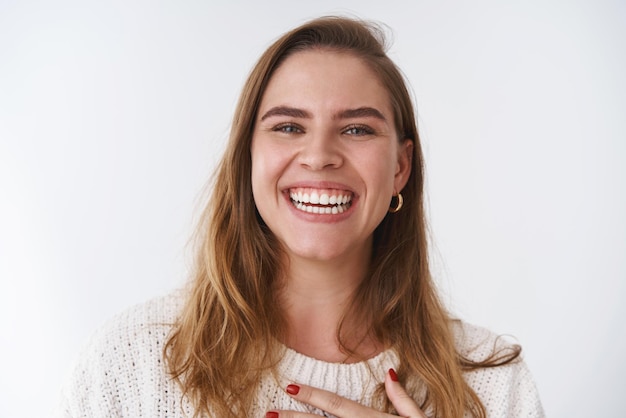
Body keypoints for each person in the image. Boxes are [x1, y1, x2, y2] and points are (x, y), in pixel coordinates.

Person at [58, 16, 544, 418]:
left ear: (400, 167)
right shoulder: (128, 363)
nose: (318, 156)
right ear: (249, 158)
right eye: (289, 126)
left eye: (356, 128)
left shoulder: (494, 382)